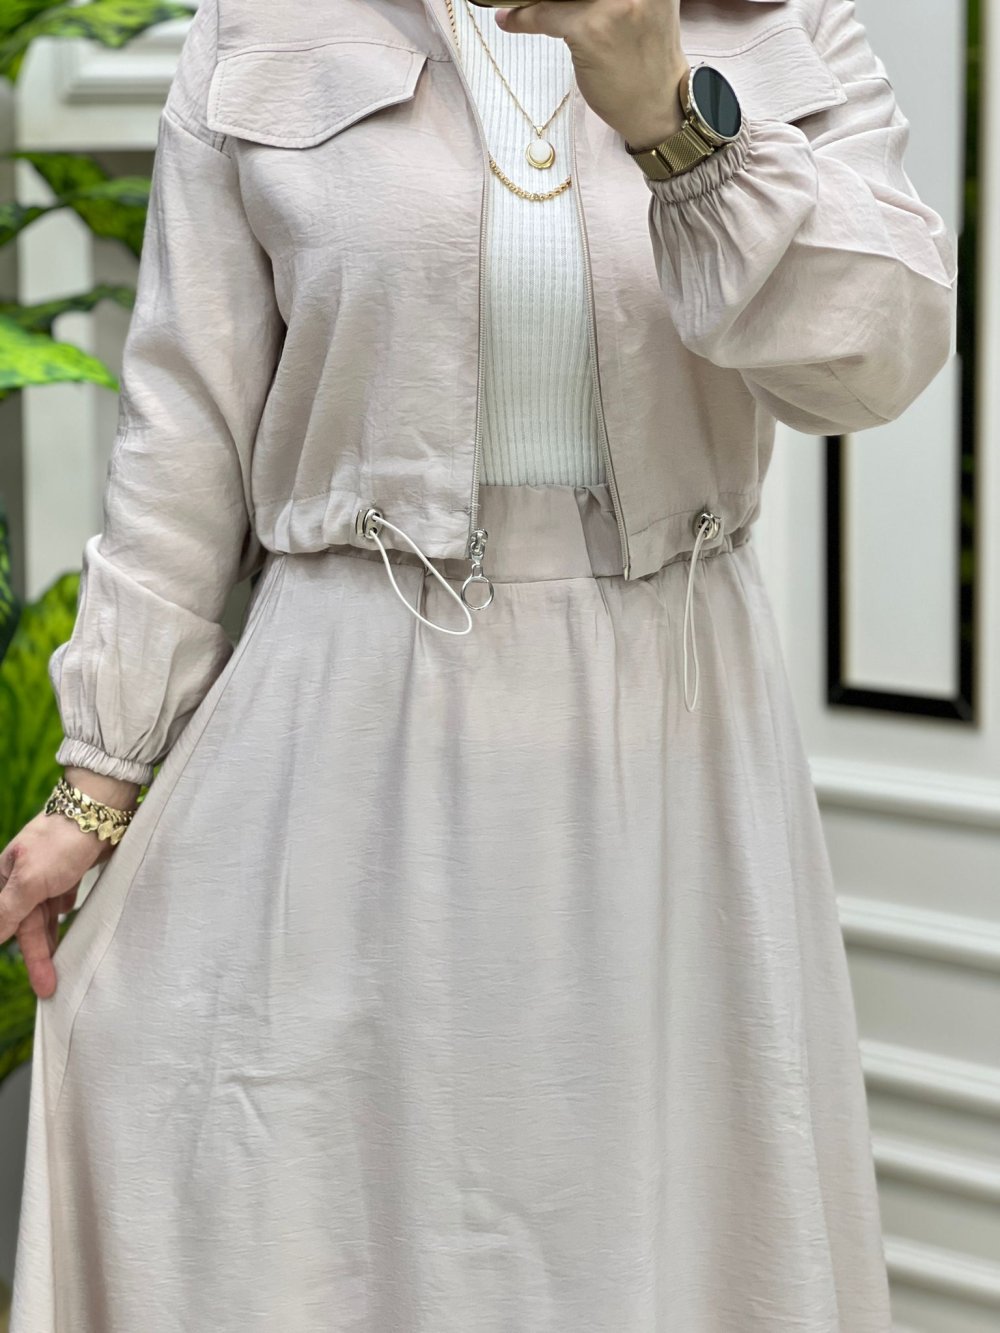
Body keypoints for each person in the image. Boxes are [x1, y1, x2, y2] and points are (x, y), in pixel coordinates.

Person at [3, 0, 956, 1328]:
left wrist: (671, 118)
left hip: (667, 729)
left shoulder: (778, 22)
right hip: (342, 730)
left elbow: (879, 357)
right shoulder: (261, 25)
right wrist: (97, 780)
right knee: (322, 1217)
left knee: (651, 1226)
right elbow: (184, 434)